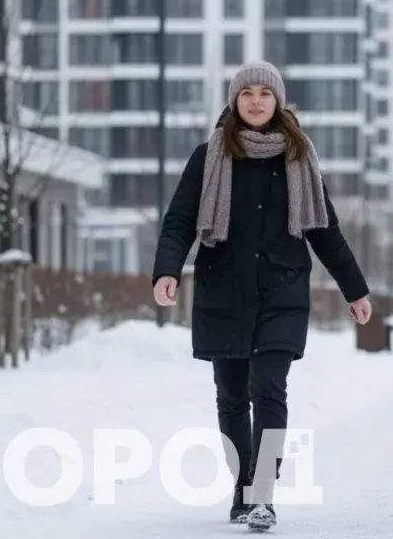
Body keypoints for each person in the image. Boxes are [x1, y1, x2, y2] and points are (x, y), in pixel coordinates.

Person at [151, 60, 373, 532]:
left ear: (278, 102)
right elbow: (179, 220)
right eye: (247, 92)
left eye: (265, 94)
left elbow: (325, 231)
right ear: (235, 100)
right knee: (231, 397)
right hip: (223, 291)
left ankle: (263, 494)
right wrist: (167, 270)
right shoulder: (208, 156)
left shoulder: (299, 158)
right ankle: (243, 485)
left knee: (268, 388)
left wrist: (355, 289)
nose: (256, 101)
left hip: (282, 291)